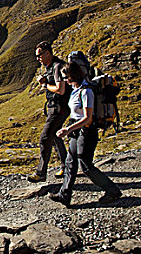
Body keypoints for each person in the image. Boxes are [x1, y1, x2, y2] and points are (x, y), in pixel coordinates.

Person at [49, 61, 122, 207]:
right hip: (76, 130)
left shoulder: (86, 91)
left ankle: (113, 191)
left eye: (66, 77)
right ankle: (65, 195)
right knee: (70, 162)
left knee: (86, 165)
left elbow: (87, 118)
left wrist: (68, 130)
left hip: (87, 131)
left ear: (73, 75)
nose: (65, 80)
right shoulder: (76, 89)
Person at [28, 41, 69, 182]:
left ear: (47, 53)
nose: (38, 58)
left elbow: (60, 89)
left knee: (45, 138)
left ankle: (41, 173)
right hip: (55, 107)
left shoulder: (57, 67)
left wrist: (45, 85)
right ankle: (67, 166)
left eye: (39, 55)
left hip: (59, 108)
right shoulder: (51, 67)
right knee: (56, 136)